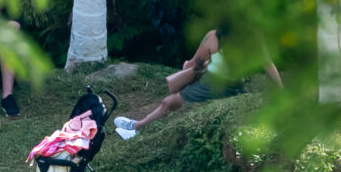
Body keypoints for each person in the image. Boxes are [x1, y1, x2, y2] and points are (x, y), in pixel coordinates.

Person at [115, 27, 280, 137]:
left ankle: (136, 128)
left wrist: (186, 67)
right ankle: (137, 127)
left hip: (211, 86)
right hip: (236, 87)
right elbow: (268, 65)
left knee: (169, 102)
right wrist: (282, 91)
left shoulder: (214, 37)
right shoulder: (254, 37)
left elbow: (193, 64)